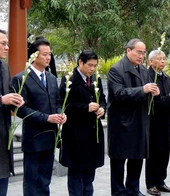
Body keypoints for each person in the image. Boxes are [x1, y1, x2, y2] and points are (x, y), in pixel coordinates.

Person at [12, 38, 67, 196]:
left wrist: (60, 113)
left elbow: (56, 101)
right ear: (34, 56)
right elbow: (21, 110)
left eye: (49, 54)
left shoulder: (50, 78)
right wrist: (46, 118)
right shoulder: (21, 78)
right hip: (33, 138)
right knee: (32, 180)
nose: (48, 57)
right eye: (45, 54)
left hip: (50, 136)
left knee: (45, 179)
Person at [107, 38, 160, 196]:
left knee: (137, 158)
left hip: (140, 120)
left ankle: (133, 189)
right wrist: (142, 89)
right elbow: (119, 94)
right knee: (118, 161)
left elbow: (148, 91)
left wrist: (155, 93)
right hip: (122, 122)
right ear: (128, 51)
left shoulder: (143, 70)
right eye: (138, 52)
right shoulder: (116, 70)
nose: (141, 56)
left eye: (143, 53)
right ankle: (118, 192)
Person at [59, 50, 107, 195]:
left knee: (89, 175)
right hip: (76, 135)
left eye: (95, 66)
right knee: (76, 175)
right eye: (90, 65)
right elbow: (63, 106)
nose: (92, 69)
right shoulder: (69, 80)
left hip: (93, 134)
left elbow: (103, 99)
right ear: (80, 62)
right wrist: (85, 108)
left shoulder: (95, 79)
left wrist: (103, 109)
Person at [145, 50, 170, 196]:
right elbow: (152, 103)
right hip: (153, 121)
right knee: (153, 154)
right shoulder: (147, 77)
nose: (163, 62)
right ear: (151, 61)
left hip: (166, 121)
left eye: (164, 59)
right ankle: (151, 183)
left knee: (165, 153)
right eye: (159, 59)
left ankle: (161, 181)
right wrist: (168, 98)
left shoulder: (166, 77)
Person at [0, 29, 24, 196]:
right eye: (3, 44)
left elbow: (9, 92)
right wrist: (2, 100)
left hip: (2, 133)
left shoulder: (4, 67)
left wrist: (16, 101)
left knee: (3, 180)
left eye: (7, 44)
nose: (7, 47)